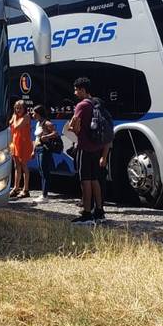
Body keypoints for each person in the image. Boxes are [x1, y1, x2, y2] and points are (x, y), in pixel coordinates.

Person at [66, 77, 109, 224]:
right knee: (95, 179)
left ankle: (86, 213)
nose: (75, 92)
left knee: (85, 180)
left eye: (77, 89)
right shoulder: (97, 103)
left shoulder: (81, 106)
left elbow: (75, 127)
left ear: (83, 90)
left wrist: (72, 128)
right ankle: (99, 211)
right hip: (97, 147)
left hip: (85, 147)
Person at [31, 105, 62, 200]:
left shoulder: (46, 123)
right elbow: (36, 139)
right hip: (38, 148)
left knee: (45, 172)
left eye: (34, 113)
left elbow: (56, 133)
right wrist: (33, 151)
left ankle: (45, 195)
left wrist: (47, 137)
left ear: (38, 113)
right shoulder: (38, 123)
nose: (32, 114)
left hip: (45, 149)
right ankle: (43, 193)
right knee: (41, 171)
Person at [8, 99, 34, 198]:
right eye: (16, 108)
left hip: (24, 144)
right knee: (16, 166)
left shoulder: (26, 117)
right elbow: (9, 125)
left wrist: (14, 118)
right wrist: (14, 118)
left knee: (24, 166)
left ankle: (26, 189)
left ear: (24, 109)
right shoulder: (16, 116)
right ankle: (16, 188)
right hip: (15, 143)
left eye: (20, 108)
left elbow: (16, 126)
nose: (18, 110)